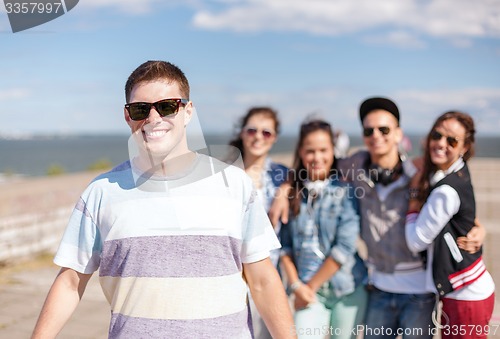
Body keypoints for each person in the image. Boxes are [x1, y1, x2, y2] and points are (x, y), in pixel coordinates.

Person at [31, 60, 296, 339]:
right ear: (127, 117)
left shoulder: (235, 184)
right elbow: (71, 283)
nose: (153, 118)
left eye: (168, 106)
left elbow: (263, 281)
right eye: (140, 109)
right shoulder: (101, 192)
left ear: (188, 111)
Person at [268, 97, 485, 339]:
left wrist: (477, 227)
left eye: (384, 129)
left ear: (397, 133)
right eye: (369, 130)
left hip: (419, 294)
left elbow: (453, 206)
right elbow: (316, 164)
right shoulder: (356, 165)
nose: (376, 136)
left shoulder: (419, 173)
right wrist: (285, 188)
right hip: (378, 290)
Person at [405, 111, 495, 339]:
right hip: (466, 289)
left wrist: (414, 200)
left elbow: (416, 241)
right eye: (437, 135)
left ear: (464, 148)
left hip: (465, 294)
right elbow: (463, 214)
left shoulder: (446, 190)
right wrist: (478, 226)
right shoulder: (456, 171)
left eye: (452, 140)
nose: (441, 143)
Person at [280, 119, 367, 339]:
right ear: (301, 151)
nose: (317, 158)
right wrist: (297, 286)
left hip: (347, 289)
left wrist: (308, 287)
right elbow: (285, 246)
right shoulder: (292, 192)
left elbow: (344, 248)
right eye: (310, 151)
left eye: (323, 150)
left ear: (333, 151)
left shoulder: (346, 191)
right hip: (308, 293)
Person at [229, 107, 289, 339]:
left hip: (269, 275)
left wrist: (286, 188)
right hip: (233, 278)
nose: (258, 136)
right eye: (252, 130)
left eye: (266, 132)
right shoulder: (224, 173)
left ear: (274, 139)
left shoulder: (282, 175)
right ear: (242, 132)